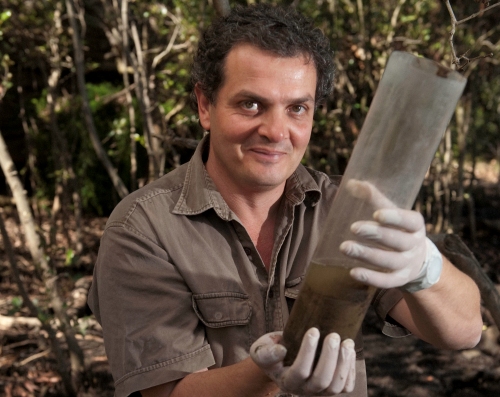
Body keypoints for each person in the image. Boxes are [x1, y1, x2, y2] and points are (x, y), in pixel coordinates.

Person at [87, 4, 483, 397]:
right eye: (251, 104)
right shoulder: (144, 227)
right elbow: (167, 393)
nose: (277, 131)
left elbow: (464, 331)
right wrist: (267, 372)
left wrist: (423, 266)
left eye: (297, 108)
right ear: (205, 105)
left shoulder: (347, 210)